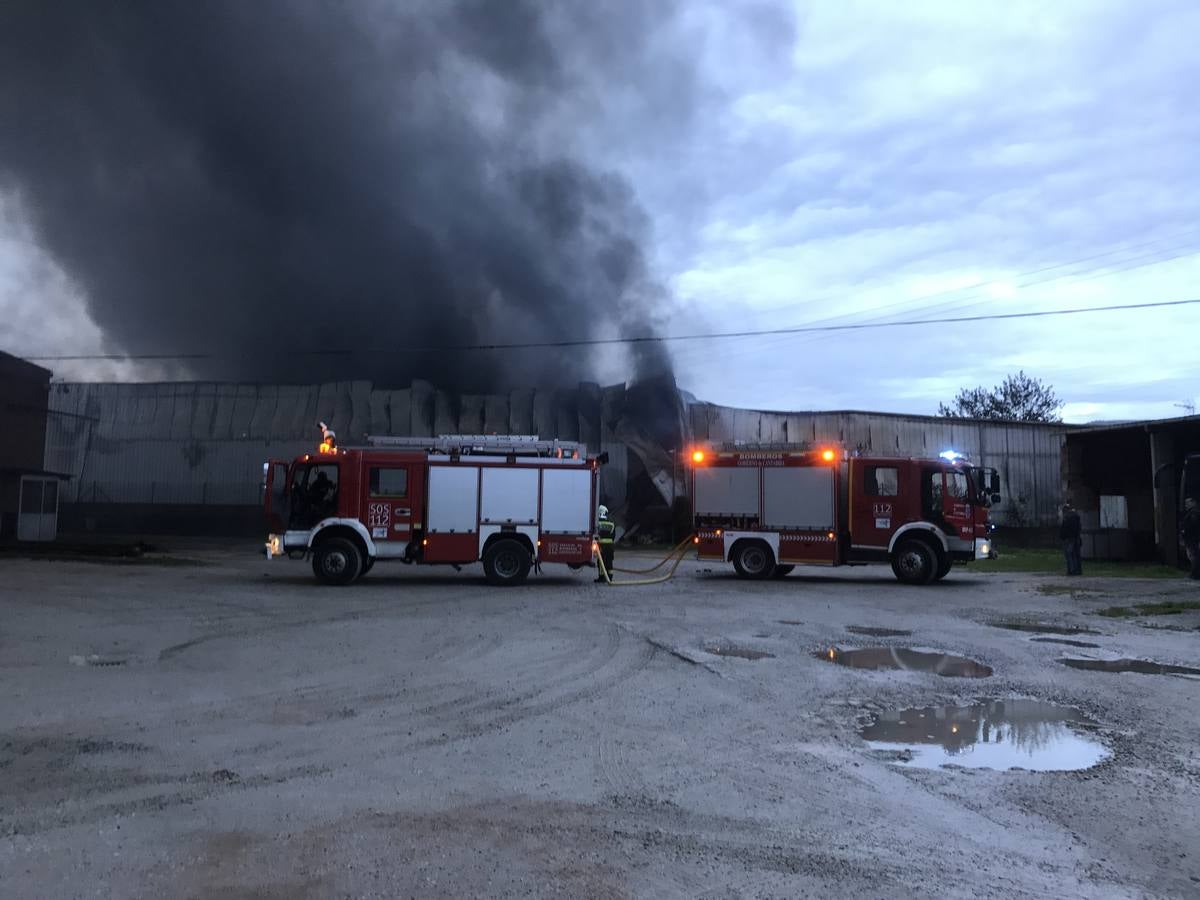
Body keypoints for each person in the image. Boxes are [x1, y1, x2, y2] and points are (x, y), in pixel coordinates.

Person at [1059, 502, 1082, 576]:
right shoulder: (1076, 516)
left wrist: (1062, 537)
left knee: (1069, 554)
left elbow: (1065, 528)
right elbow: (1079, 528)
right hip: (1075, 537)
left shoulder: (1067, 517)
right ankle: (1076, 570)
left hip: (1069, 538)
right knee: (1074, 554)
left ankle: (1071, 570)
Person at [1181, 497, 1200, 580]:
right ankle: (1195, 574)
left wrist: (1184, 530)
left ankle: (1194, 574)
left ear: (1193, 503)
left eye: (1188, 503)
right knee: (1193, 556)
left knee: (1193, 556)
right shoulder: (1192, 512)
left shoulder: (1194, 513)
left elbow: (1193, 525)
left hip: (1192, 539)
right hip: (1192, 539)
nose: (1186, 505)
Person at [596, 504, 616, 583]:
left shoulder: (597, 523)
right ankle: (610, 577)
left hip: (601, 545)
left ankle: (602, 577)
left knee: (601, 561)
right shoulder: (611, 523)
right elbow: (613, 536)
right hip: (610, 546)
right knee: (609, 561)